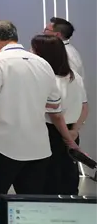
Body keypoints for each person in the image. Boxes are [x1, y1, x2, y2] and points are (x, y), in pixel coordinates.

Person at [0, 21, 77, 197]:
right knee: (30, 203)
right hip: (38, 148)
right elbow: (53, 104)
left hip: (0, 146)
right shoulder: (43, 64)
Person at [32, 34, 89, 195]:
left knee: (50, 177)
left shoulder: (47, 79)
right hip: (71, 131)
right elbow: (85, 107)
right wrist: (74, 131)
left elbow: (55, 115)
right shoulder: (75, 76)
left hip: (52, 132)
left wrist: (68, 138)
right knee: (68, 174)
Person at [45, 17, 85, 81]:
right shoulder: (64, 50)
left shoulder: (66, 54)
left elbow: (69, 81)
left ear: (57, 34)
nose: (43, 32)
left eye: (46, 29)